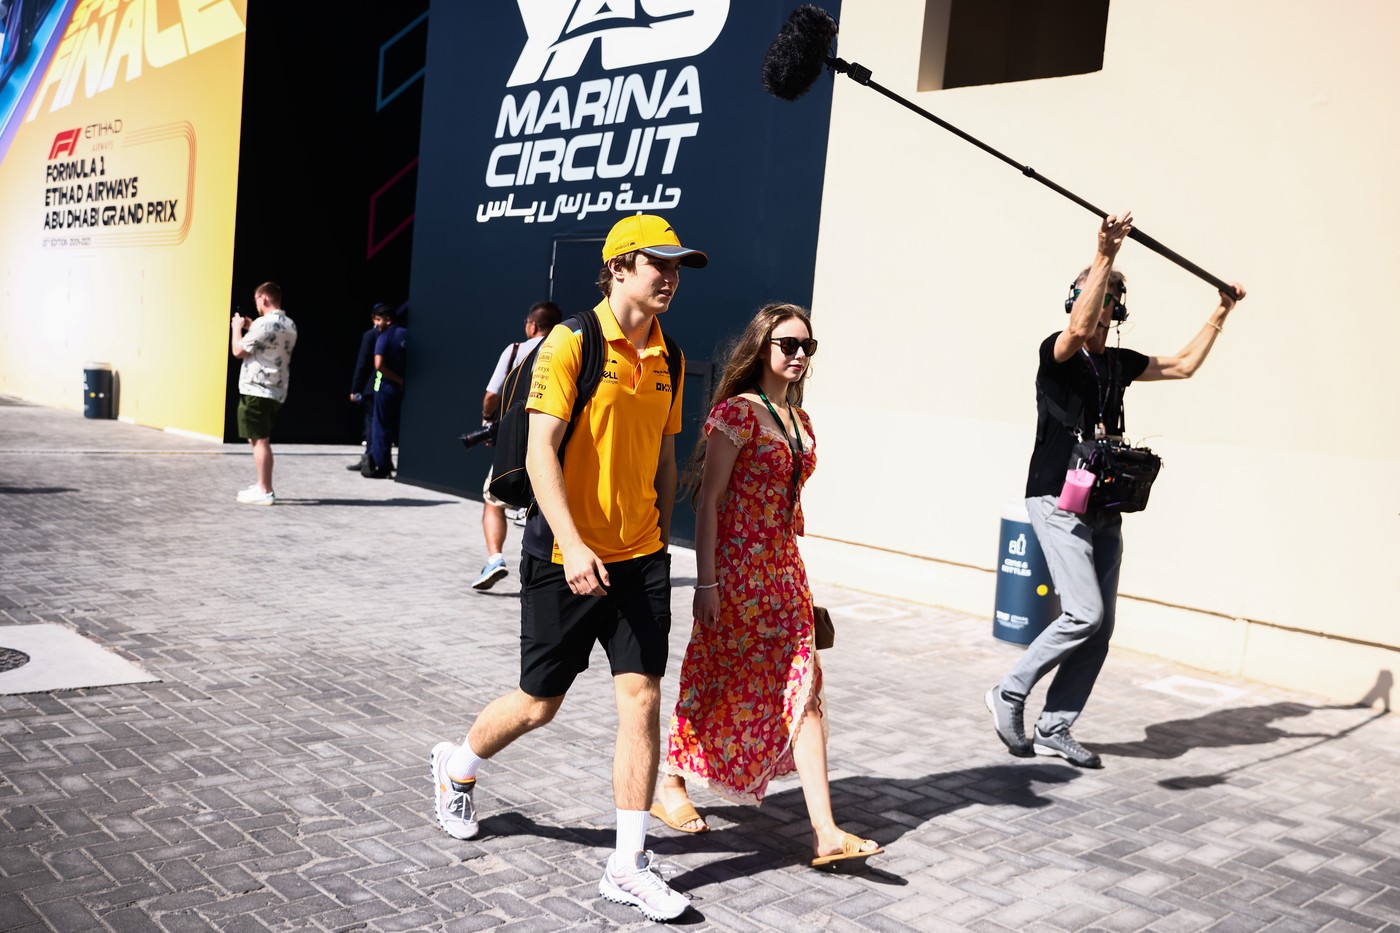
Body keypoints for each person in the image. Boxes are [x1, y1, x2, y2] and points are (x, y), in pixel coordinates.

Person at [428, 214, 704, 923]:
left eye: (677, 267)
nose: (670, 277)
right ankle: (457, 766)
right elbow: (543, 449)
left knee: (641, 699)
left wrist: (663, 535)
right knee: (537, 703)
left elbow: (667, 454)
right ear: (617, 267)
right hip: (563, 555)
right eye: (657, 264)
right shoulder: (571, 341)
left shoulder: (669, 356)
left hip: (639, 556)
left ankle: (628, 864)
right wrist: (575, 541)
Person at [985, 211, 1246, 768]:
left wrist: (1220, 311)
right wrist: (1104, 254)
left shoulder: (1119, 364)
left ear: (1119, 310)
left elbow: (1181, 366)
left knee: (1099, 629)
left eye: (1109, 295)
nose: (1101, 301)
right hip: (1057, 498)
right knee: (1083, 614)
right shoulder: (1056, 351)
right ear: (1076, 297)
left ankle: (1056, 726)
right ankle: (1008, 691)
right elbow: (1078, 330)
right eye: (1092, 293)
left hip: (1105, 504)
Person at [653, 303, 883, 869]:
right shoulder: (738, 414)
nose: (800, 355)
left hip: (783, 575)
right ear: (762, 348)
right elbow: (708, 503)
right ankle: (670, 783)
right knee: (715, 678)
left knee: (805, 692)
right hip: (735, 574)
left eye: (808, 346)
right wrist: (706, 581)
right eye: (788, 345)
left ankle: (826, 831)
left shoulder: (799, 422)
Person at [473, 300, 563, 590]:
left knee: (493, 500)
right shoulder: (569, 348)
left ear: (532, 325)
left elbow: (491, 395)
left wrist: (488, 421)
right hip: (556, 445)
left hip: (517, 444)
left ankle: (495, 558)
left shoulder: (515, 350)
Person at [230, 282, 298, 506]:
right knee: (259, 438)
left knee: (260, 441)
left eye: (257, 300)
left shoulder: (263, 324)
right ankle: (261, 484)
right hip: (276, 390)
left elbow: (238, 351)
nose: (257, 305)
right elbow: (269, 345)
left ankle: (266, 490)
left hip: (256, 390)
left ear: (264, 299)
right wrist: (253, 327)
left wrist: (237, 328)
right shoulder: (289, 325)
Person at [347, 303, 394, 472]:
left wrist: (355, 388)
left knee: (372, 424)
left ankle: (370, 459)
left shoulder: (372, 336)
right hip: (390, 385)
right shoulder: (396, 334)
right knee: (383, 424)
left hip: (374, 385)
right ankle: (381, 459)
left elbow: (363, 363)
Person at [362, 305, 407, 479]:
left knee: (380, 427)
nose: (376, 323)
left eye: (379, 319)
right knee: (393, 427)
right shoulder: (405, 334)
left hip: (384, 387)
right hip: (400, 389)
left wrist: (397, 379)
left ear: (388, 319)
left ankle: (382, 466)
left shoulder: (384, 337)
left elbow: (379, 365)